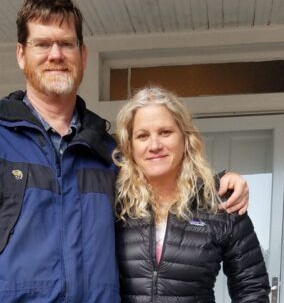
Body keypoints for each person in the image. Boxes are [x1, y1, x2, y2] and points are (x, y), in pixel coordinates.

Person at [0, 0, 250, 303]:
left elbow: (164, 186)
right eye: (42, 44)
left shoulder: (108, 152)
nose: (55, 55)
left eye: (66, 44)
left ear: (82, 55)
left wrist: (218, 181)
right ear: (21, 54)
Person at [113, 87, 270, 302]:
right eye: (142, 135)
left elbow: (252, 289)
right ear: (130, 146)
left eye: (165, 132)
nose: (155, 145)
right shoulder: (113, 203)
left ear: (185, 138)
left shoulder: (220, 203)